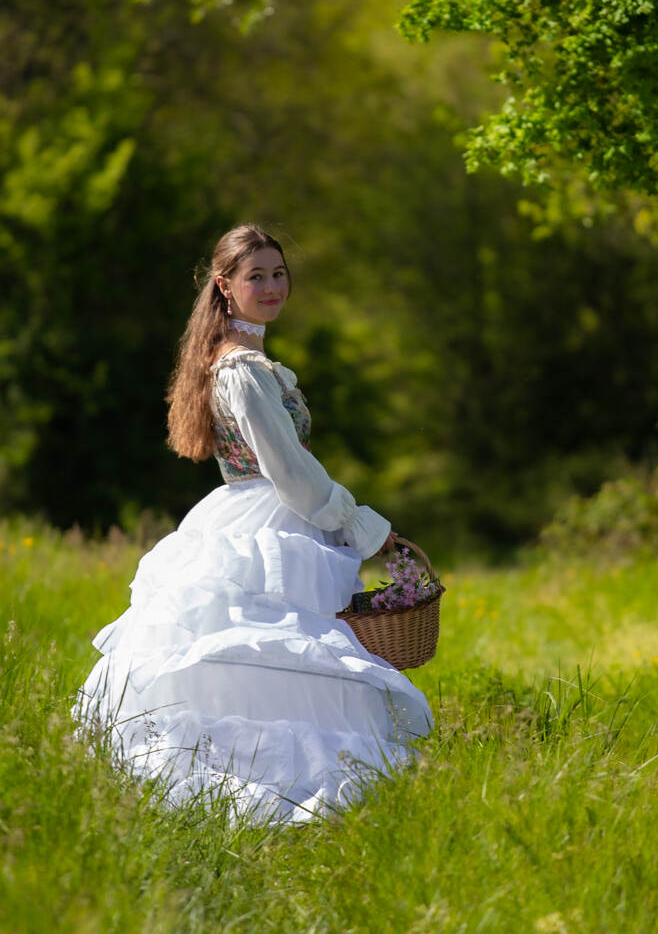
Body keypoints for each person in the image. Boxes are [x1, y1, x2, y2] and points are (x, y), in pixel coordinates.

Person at [73, 224, 433, 824]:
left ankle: (272, 774)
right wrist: (361, 526)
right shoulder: (240, 369)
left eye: (278, 273)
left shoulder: (251, 361)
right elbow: (289, 471)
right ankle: (267, 784)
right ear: (225, 286)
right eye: (255, 276)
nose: (271, 286)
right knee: (272, 640)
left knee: (291, 649)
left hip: (264, 510)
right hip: (271, 517)